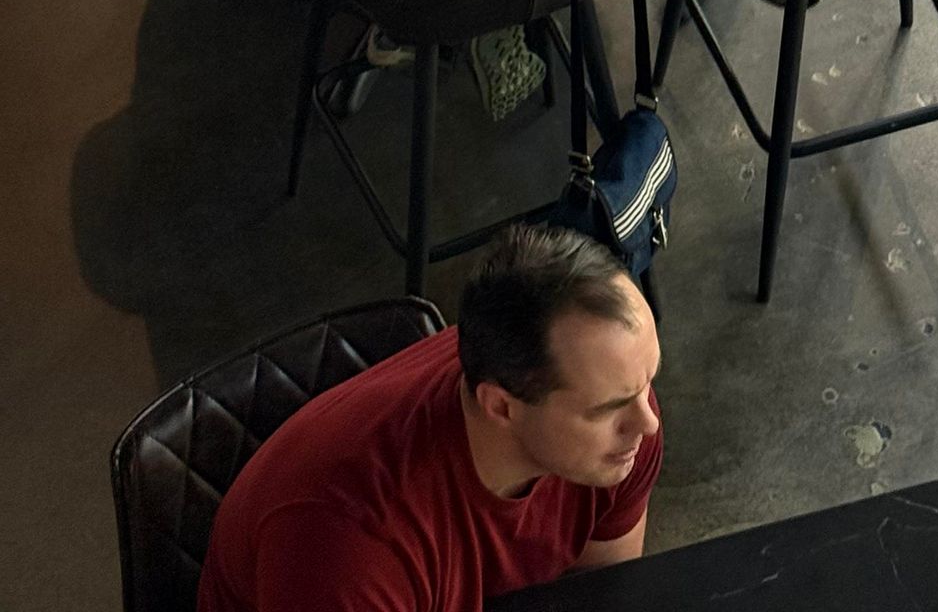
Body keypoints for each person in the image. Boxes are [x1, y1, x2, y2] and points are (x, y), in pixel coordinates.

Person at [198, 221, 660, 610]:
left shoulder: (620, 427)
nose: (647, 421)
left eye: (647, 381)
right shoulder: (351, 549)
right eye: (608, 408)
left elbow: (603, 595)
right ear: (500, 406)